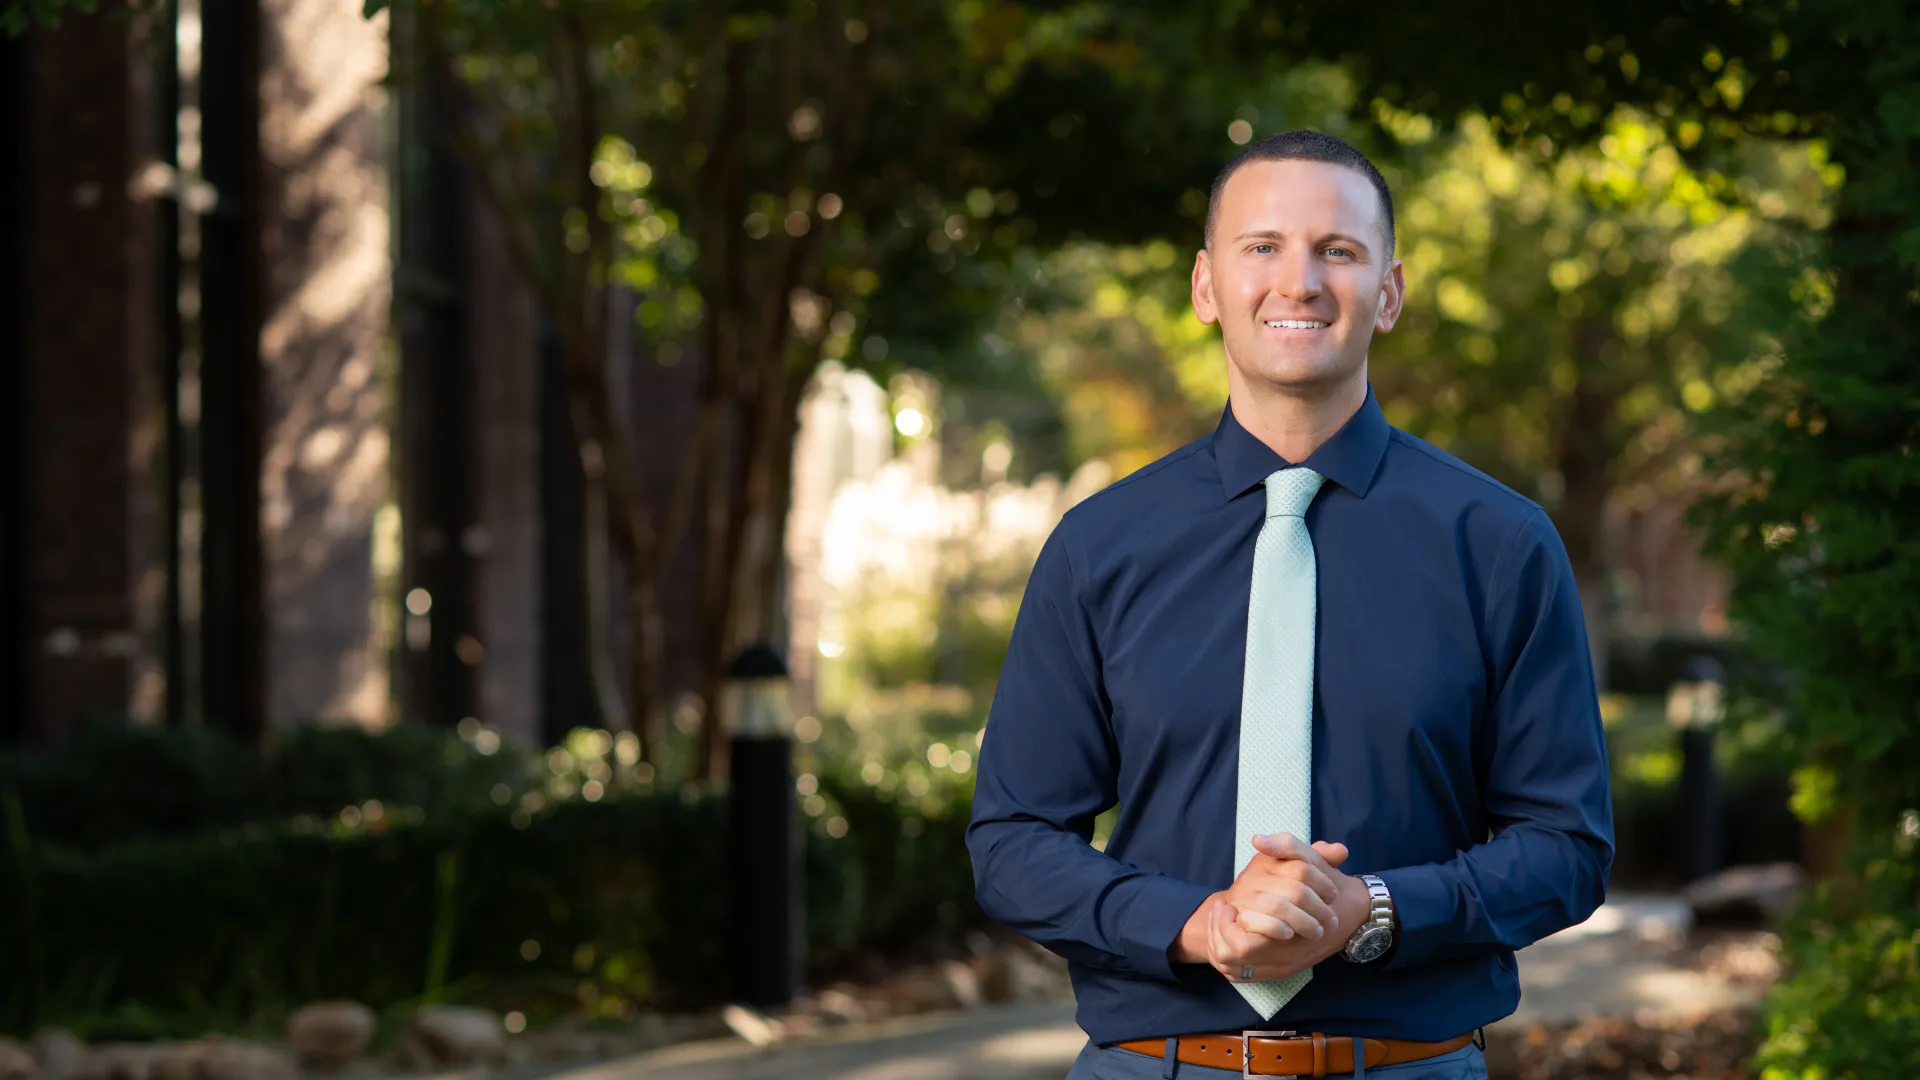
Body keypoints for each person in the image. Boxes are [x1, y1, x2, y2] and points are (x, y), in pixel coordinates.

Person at [966, 130, 1614, 1079]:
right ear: (1205, 286)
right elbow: (1013, 841)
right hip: (1156, 1064)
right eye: (1261, 247)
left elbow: (1568, 845)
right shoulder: (1099, 547)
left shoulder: (1501, 543)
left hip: (1409, 1066)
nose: (1299, 281)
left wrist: (1374, 912)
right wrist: (1202, 922)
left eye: (1338, 251)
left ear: (1388, 292)